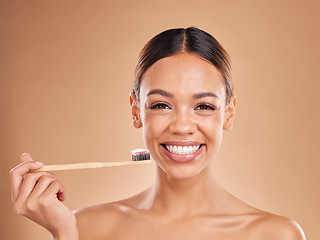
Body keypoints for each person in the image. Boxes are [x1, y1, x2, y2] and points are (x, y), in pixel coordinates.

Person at [10, 27, 306, 240]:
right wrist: (63, 234)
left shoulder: (277, 235)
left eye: (203, 106)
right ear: (136, 110)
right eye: (162, 104)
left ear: (228, 112)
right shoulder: (85, 227)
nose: (182, 125)